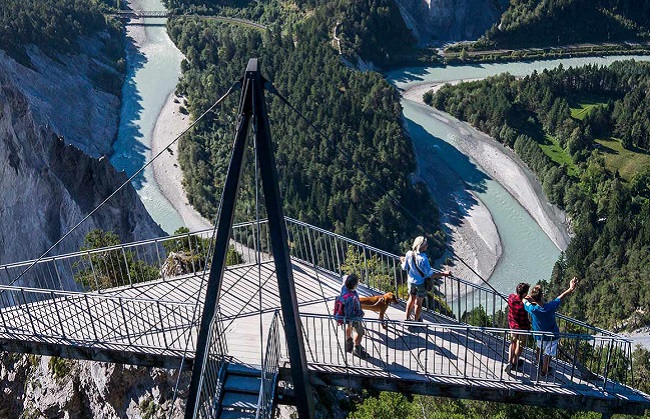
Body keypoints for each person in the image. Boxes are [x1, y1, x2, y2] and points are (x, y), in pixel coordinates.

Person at [523, 277, 579, 377]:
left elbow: (524, 301)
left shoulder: (533, 309)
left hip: (540, 335)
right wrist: (571, 289)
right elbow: (561, 297)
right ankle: (544, 371)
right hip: (552, 335)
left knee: (539, 348)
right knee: (548, 354)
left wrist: (529, 298)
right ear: (542, 296)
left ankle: (537, 362)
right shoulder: (551, 306)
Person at [400, 236, 451, 323]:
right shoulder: (423, 259)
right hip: (421, 283)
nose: (427, 245)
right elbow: (430, 274)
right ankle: (416, 321)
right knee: (418, 303)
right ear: (422, 246)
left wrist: (403, 261)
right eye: (426, 244)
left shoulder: (409, 254)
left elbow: (405, 268)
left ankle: (407, 318)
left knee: (411, 299)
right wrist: (444, 274)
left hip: (411, 282)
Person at [339, 273, 367, 359]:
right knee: (360, 332)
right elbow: (351, 312)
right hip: (353, 317)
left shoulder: (344, 288)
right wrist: (360, 314)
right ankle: (357, 349)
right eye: (357, 283)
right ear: (354, 285)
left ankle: (348, 344)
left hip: (344, 315)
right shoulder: (351, 297)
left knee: (348, 326)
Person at [505, 282, 531, 374]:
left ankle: (509, 362)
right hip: (522, 327)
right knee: (520, 345)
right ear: (524, 294)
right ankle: (514, 362)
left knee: (512, 343)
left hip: (513, 326)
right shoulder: (524, 304)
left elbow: (516, 298)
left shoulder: (511, 297)